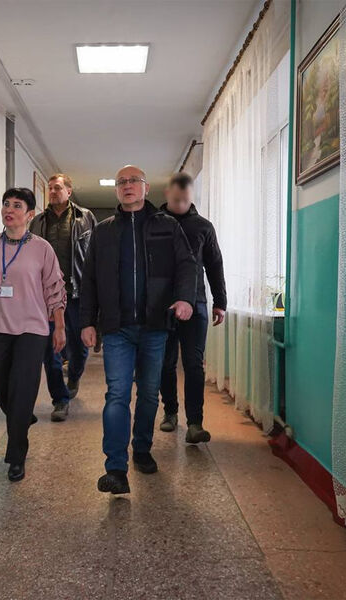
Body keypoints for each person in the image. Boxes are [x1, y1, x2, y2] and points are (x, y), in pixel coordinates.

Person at [79, 165, 197, 495]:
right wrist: (87, 321)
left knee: (147, 392)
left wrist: (185, 298)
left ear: (145, 188)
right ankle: (115, 468)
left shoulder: (167, 226)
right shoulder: (103, 232)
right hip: (117, 327)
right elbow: (89, 280)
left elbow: (187, 265)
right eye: (122, 182)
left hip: (155, 325)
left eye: (134, 181)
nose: (128, 185)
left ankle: (142, 448)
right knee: (117, 393)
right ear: (116, 190)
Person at [0, 188, 66, 482]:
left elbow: (55, 289)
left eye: (17, 205)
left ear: (30, 214)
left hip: (32, 329)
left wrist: (59, 326)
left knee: (23, 387)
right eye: (6, 204)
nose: (9, 209)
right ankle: (21, 416)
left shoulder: (42, 248)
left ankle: (16, 455)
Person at [158, 172, 227, 443]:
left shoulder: (203, 227)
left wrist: (220, 302)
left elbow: (215, 264)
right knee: (166, 363)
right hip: (163, 304)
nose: (180, 205)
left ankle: (195, 423)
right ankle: (170, 412)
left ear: (192, 197)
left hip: (196, 303)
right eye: (176, 200)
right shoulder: (155, 224)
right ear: (168, 195)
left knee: (194, 364)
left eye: (185, 200)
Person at [29, 173, 97, 422]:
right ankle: (60, 399)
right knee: (51, 350)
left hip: (76, 293)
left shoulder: (85, 217)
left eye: (57, 188)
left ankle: (75, 376)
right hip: (46, 296)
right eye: (50, 188)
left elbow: (95, 255)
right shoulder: (37, 222)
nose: (53, 192)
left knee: (78, 346)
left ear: (69, 191)